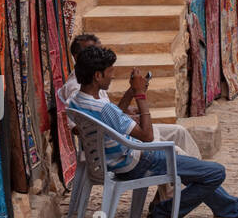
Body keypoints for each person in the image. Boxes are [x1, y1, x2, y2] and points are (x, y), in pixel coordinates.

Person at [67, 45, 238, 218]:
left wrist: (133, 91)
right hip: (136, 162)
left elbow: (113, 120)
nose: (112, 77)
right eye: (110, 73)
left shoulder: (76, 102)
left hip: (116, 160)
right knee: (215, 173)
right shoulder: (103, 108)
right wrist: (140, 95)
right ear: (98, 76)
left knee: (197, 171)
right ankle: (159, 216)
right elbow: (146, 135)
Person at [60, 34, 201, 160]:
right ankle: (192, 179)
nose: (98, 55)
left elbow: (104, 115)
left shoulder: (88, 88)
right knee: (180, 156)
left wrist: (131, 93)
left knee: (179, 132)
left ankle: (183, 183)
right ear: (78, 57)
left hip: (119, 142)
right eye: (92, 52)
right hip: (122, 152)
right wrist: (140, 95)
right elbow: (146, 136)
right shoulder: (77, 88)